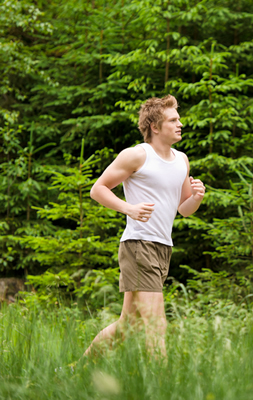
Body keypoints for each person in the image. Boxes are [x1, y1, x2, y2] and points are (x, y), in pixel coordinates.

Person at [83, 94, 205, 358]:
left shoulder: (182, 160)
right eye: (173, 120)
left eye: (179, 119)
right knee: (155, 323)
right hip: (139, 245)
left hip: (163, 247)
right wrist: (129, 208)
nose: (180, 123)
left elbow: (184, 209)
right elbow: (98, 189)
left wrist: (196, 197)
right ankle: (161, 387)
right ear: (155, 126)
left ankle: (75, 370)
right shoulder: (137, 155)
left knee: (129, 325)